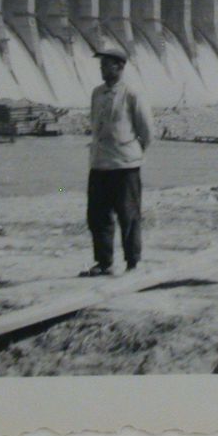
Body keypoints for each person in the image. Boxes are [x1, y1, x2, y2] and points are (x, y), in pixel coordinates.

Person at [81, 45, 152, 277]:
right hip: (100, 163)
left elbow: (146, 130)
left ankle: (133, 262)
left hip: (125, 166)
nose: (102, 69)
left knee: (128, 215)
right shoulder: (97, 93)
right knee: (97, 215)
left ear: (120, 67)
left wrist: (132, 151)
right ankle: (104, 262)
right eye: (101, 65)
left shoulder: (132, 94)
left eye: (106, 65)